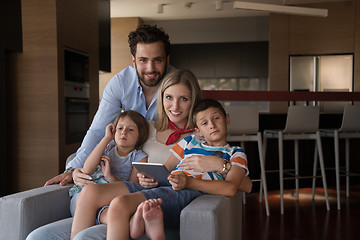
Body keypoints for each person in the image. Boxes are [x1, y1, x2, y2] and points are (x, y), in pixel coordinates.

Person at [70, 73, 252, 240]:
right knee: (89, 192)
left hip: (179, 190)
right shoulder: (156, 130)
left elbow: (243, 185)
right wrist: (147, 176)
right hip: (159, 184)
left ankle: (138, 220)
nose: (175, 106)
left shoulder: (217, 144)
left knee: (120, 204)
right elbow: (164, 169)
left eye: (184, 99)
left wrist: (219, 165)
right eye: (169, 98)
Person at [44, 24, 173, 187]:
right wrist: (72, 169)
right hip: (125, 160)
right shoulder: (120, 83)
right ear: (133, 61)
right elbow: (98, 130)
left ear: (168, 60)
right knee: (75, 163)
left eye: (158, 60)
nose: (150, 68)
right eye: (143, 60)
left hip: (160, 162)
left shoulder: (178, 84)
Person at [129, 98, 251, 240]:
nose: (212, 125)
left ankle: (148, 220)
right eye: (205, 123)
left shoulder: (235, 153)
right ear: (198, 131)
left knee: (129, 204)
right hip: (171, 183)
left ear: (227, 119)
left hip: (189, 190)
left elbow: (234, 187)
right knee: (129, 197)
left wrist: (214, 169)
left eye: (216, 118)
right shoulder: (189, 142)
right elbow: (167, 169)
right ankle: (147, 221)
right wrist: (149, 178)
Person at [68, 110, 149, 216]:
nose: (124, 132)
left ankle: (115, 219)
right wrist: (106, 138)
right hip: (88, 193)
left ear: (140, 135)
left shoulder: (139, 157)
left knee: (114, 208)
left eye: (130, 129)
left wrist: (109, 176)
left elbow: (132, 188)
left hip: (113, 195)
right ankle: (112, 219)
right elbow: (87, 169)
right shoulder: (107, 148)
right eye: (120, 128)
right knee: (80, 201)